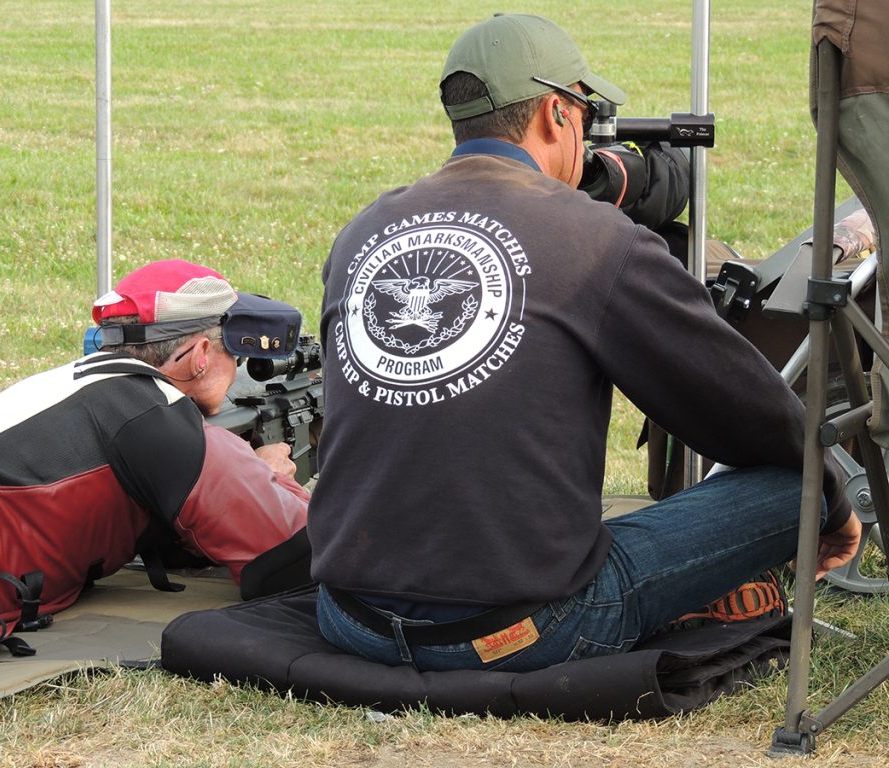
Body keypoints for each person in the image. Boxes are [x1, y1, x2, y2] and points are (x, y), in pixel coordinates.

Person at [307, 13, 862, 673]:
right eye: (587, 111)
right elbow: (742, 408)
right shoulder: (595, 237)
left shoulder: (361, 230)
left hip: (349, 616)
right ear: (556, 115)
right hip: (522, 631)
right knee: (788, 484)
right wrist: (828, 493)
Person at [0, 259, 310, 692]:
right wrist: (270, 476)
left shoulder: (89, 384)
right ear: (199, 356)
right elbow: (289, 560)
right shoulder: (149, 413)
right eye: (235, 354)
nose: (236, 373)